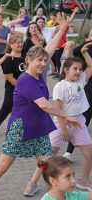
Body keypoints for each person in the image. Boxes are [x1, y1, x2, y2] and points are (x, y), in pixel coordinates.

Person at [0, 13, 81, 200]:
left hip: (39, 128)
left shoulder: (38, 74)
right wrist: (66, 116)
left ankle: (52, 195)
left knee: (48, 167)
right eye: (39, 61)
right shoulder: (26, 80)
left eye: (44, 61)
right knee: (2, 166)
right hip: (21, 128)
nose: (43, 63)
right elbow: (45, 105)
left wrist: (63, 29)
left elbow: (48, 49)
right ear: (29, 61)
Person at [49, 43, 92, 191]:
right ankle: (35, 181)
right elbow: (57, 110)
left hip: (79, 122)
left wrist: (84, 53)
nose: (79, 71)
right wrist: (64, 130)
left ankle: (85, 181)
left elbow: (91, 67)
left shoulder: (81, 81)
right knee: (48, 156)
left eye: (80, 69)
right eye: (75, 69)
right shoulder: (60, 86)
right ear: (66, 70)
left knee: (89, 153)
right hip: (62, 123)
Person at [0, 33, 25, 137]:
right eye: (17, 43)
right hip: (12, 89)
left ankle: (17, 130)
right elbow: (9, 77)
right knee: (7, 107)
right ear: (11, 45)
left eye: (21, 42)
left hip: (24, 89)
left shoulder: (25, 58)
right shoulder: (8, 59)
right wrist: (22, 88)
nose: (20, 44)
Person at [64, 30, 92, 160]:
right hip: (88, 86)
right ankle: (69, 151)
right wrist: (68, 50)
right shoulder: (84, 48)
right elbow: (71, 59)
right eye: (91, 34)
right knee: (83, 119)